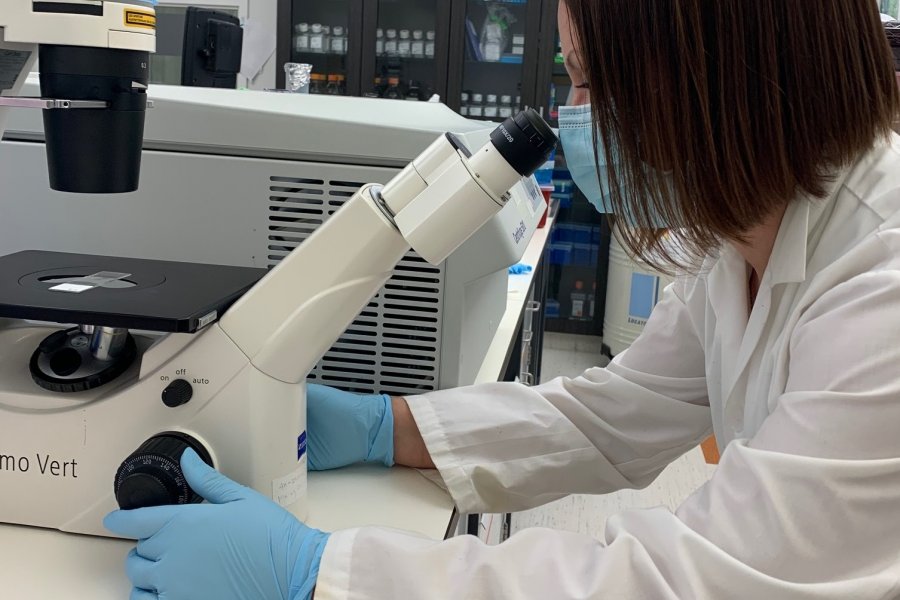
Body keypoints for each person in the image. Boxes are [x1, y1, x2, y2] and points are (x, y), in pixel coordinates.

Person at [104, 1, 900, 598]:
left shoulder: (882, 288)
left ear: (720, 72)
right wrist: (388, 428)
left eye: (590, 80)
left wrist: (323, 574)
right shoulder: (744, 233)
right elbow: (610, 415)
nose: (573, 115)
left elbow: (695, 581)